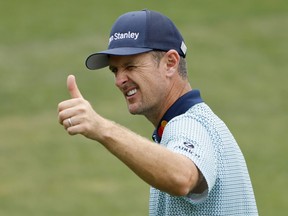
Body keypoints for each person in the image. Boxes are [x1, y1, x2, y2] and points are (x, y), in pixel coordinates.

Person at [58, 9, 258, 215]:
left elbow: (182, 178)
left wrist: (101, 128)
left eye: (130, 66)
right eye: (115, 70)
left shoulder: (188, 124)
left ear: (170, 63)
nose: (119, 80)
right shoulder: (190, 123)